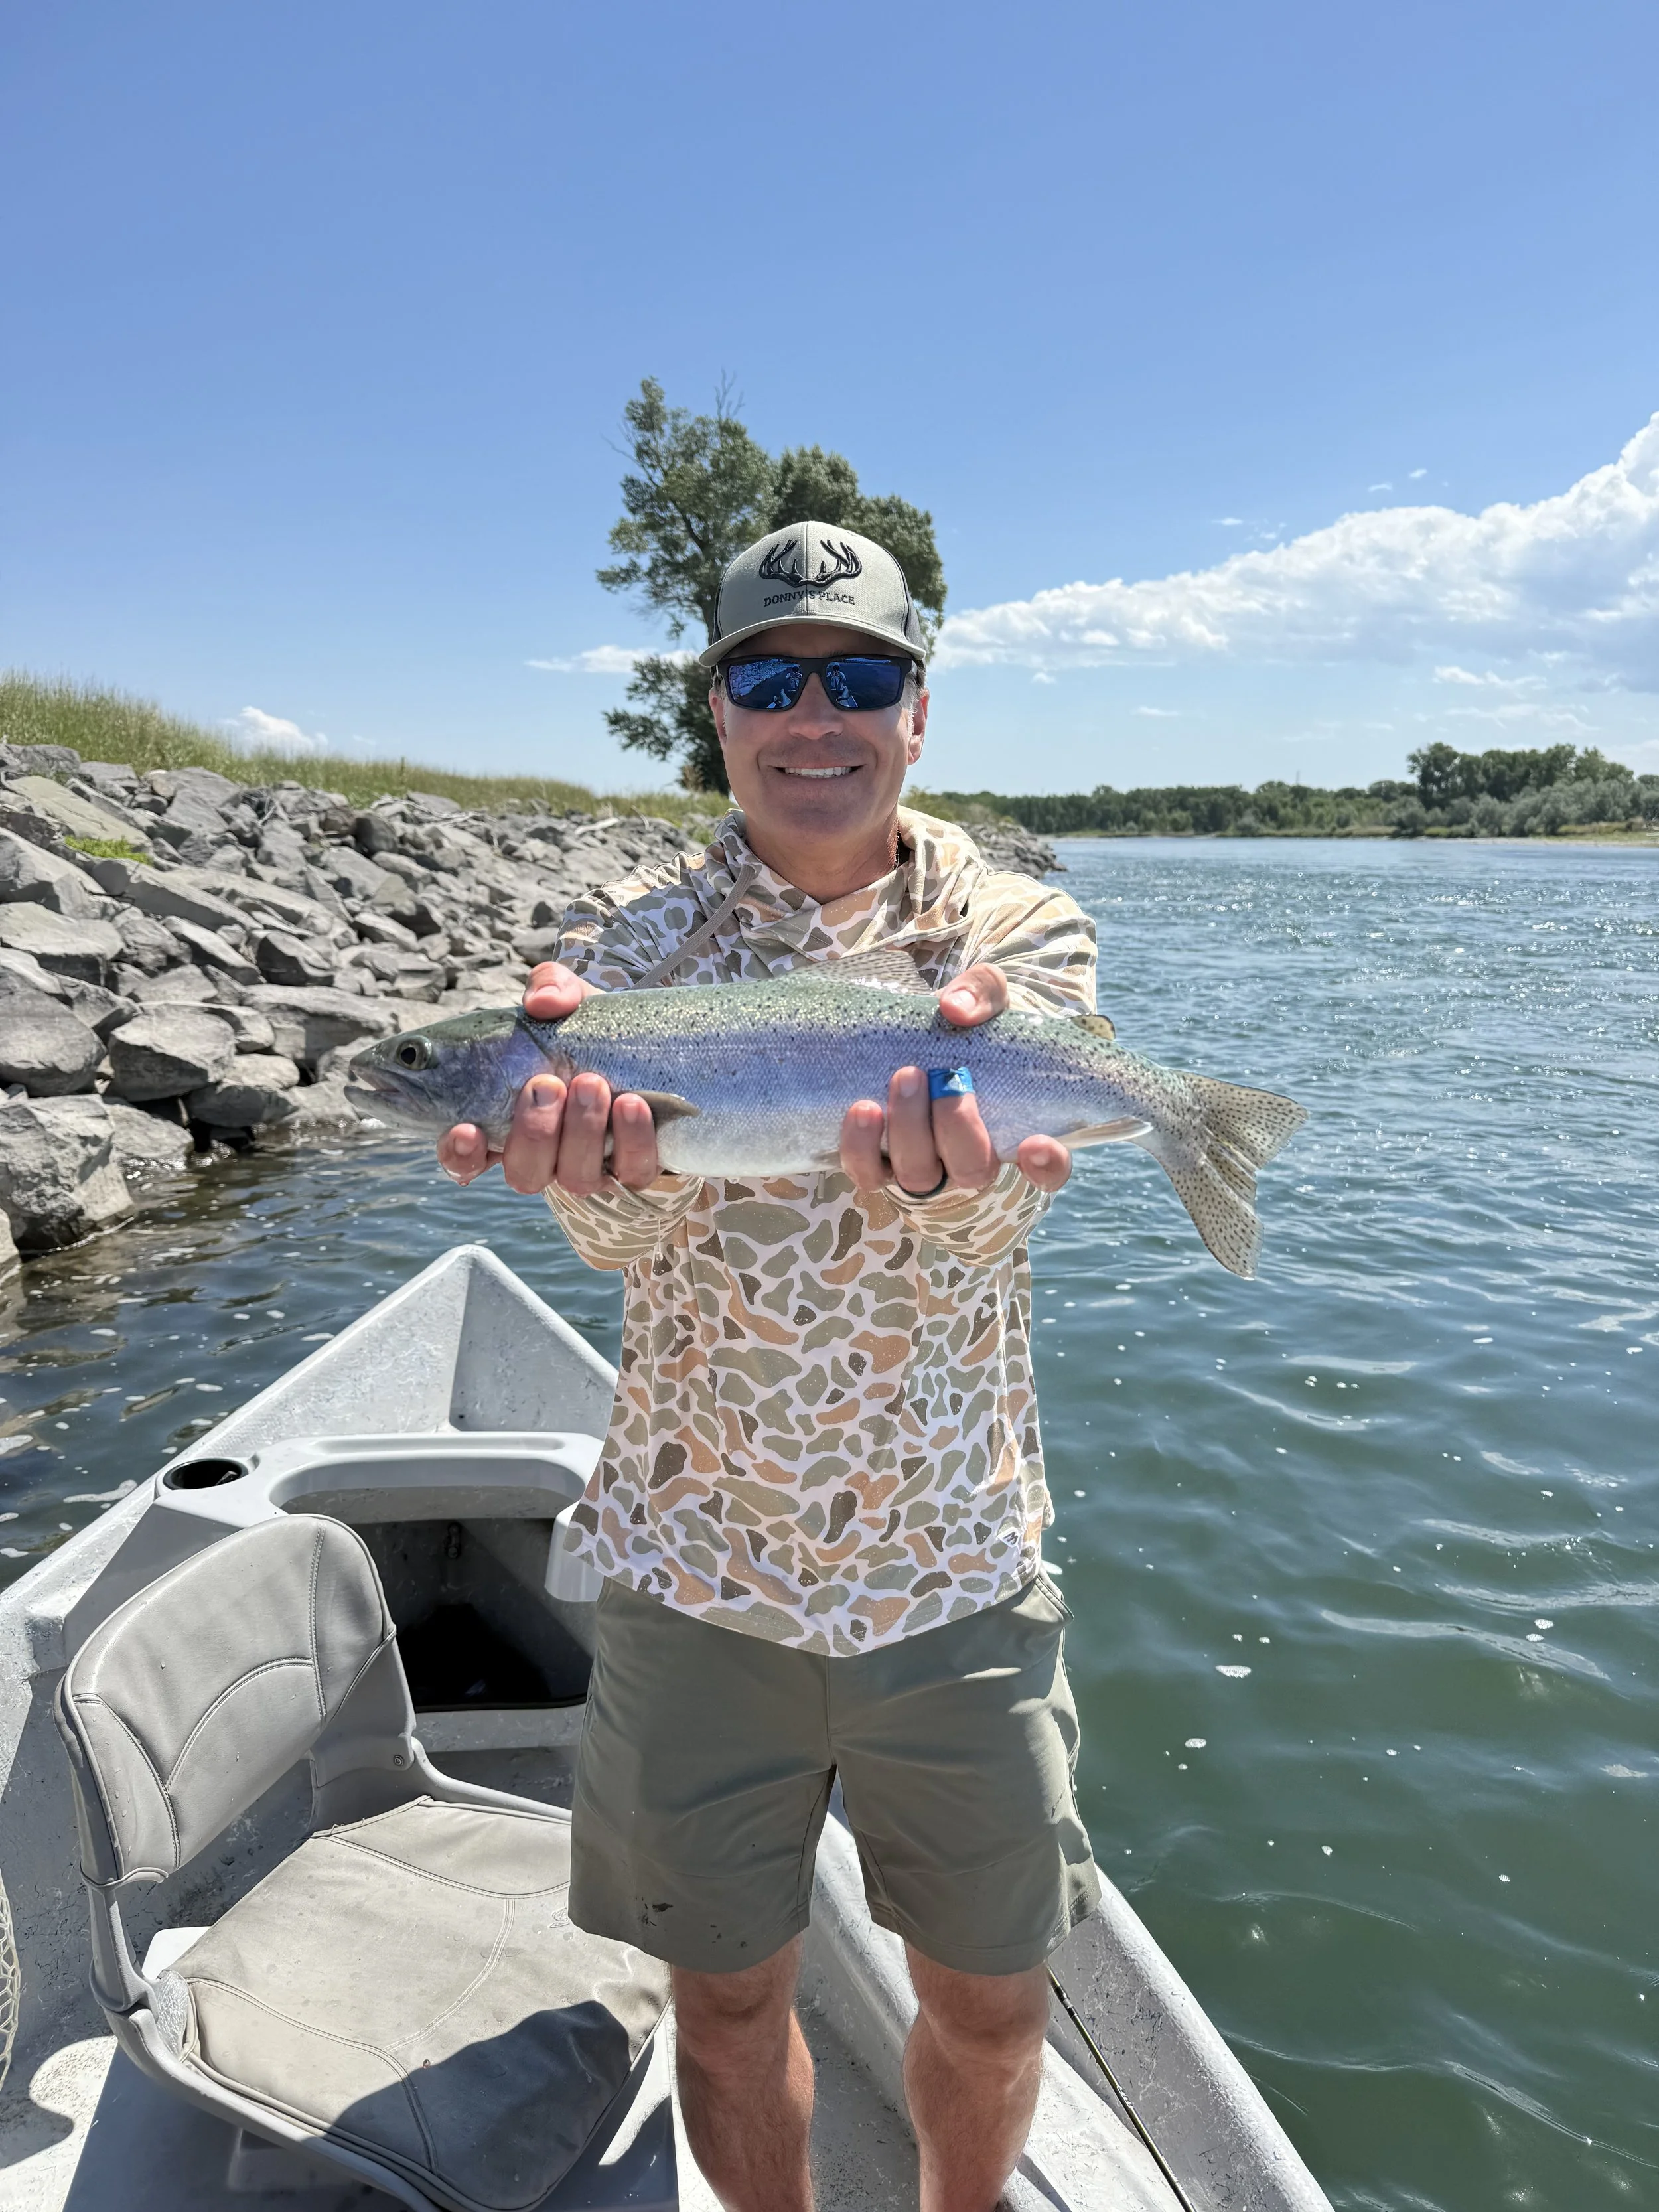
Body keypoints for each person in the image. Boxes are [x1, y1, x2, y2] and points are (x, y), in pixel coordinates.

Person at [438, 521, 1102, 2212]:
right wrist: (597, 1190)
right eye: (770, 676)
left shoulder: (1012, 930)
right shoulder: (620, 963)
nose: (818, 713)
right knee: (724, 1997)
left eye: (861, 676)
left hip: (950, 1564)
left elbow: (997, 1230)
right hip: (694, 1562)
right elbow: (620, 1251)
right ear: (716, 710)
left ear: (917, 712)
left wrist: (949, 1199)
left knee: (991, 1991)